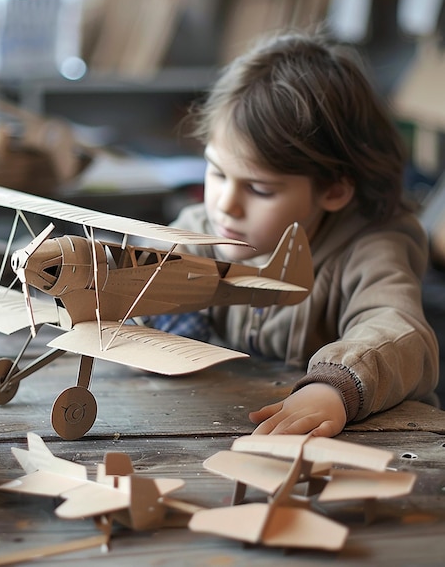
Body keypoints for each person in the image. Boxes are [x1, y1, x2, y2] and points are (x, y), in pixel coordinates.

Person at [149, 28, 439, 438]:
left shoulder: (372, 246)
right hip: (228, 426)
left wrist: (333, 387)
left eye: (260, 189)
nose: (224, 204)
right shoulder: (199, 231)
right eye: (216, 172)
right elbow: (143, 272)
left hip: (367, 447)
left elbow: (400, 332)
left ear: (334, 190)